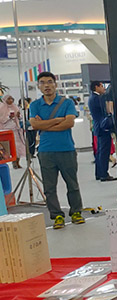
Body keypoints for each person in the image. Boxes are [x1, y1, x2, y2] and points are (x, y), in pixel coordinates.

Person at [28, 71, 85, 228]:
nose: (46, 85)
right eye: (42, 83)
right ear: (38, 86)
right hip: (45, 151)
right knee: (49, 187)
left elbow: (69, 123)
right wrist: (57, 121)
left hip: (66, 149)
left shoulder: (66, 103)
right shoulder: (34, 105)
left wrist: (44, 125)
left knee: (72, 184)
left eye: (49, 82)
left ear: (55, 84)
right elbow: (34, 125)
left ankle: (76, 212)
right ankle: (57, 215)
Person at [88, 81, 116, 182]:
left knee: (100, 152)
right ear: (96, 87)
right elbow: (106, 111)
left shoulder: (92, 98)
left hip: (98, 127)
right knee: (104, 152)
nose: (103, 88)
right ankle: (104, 174)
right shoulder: (98, 98)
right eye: (101, 86)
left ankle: (99, 173)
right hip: (103, 128)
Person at [0, 94, 24, 168]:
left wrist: (18, 115)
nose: (10, 100)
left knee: (18, 146)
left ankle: (17, 162)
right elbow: (1, 119)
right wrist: (8, 117)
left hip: (15, 129)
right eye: (9, 99)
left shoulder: (15, 107)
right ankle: (9, 162)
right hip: (6, 130)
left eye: (11, 99)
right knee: (9, 147)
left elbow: (20, 118)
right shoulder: (1, 107)